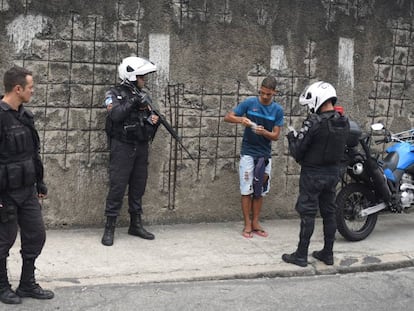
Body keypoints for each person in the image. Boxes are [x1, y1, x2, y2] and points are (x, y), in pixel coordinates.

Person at [0, 66, 54, 304]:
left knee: (36, 235)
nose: (33, 91)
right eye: (30, 87)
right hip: (5, 193)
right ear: (18, 88)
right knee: (4, 241)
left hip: (27, 190)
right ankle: (2, 286)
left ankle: (27, 284)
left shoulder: (25, 116)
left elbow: (33, 153)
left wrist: (39, 182)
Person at [282, 81, 350, 267]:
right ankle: (328, 253)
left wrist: (291, 137)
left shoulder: (314, 122)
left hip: (313, 174)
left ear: (318, 100)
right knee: (329, 213)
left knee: (308, 213)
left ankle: (301, 255)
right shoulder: (343, 121)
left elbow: (298, 152)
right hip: (332, 173)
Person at [101, 56, 160, 246]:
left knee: (138, 186)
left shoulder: (143, 95)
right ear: (132, 77)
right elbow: (116, 114)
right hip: (122, 146)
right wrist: (134, 101)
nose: (144, 81)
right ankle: (109, 227)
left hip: (140, 146)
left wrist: (152, 122)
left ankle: (136, 224)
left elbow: (149, 118)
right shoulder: (114, 93)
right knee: (117, 186)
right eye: (142, 77)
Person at [224, 76, 284, 238]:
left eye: (268, 94)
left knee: (260, 190)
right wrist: (240, 120)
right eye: (262, 93)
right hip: (248, 154)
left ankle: (256, 221)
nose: (265, 96)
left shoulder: (277, 110)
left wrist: (264, 132)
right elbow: (227, 117)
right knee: (246, 189)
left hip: (265, 155)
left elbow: (276, 135)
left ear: (274, 93)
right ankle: (247, 224)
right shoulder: (250, 103)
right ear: (260, 89)